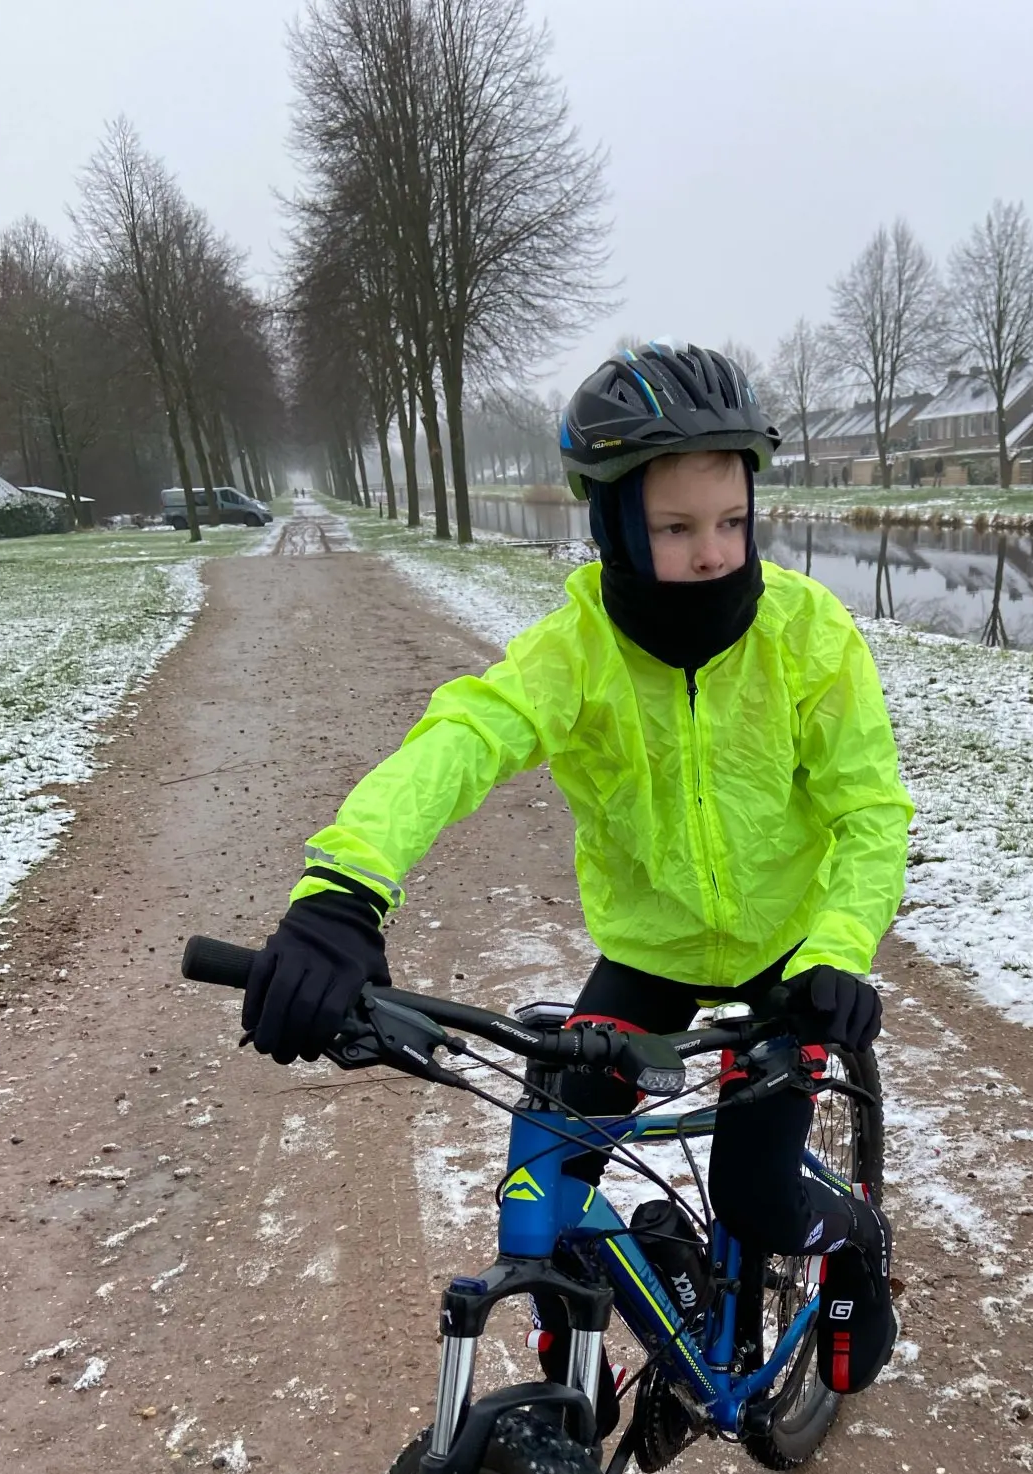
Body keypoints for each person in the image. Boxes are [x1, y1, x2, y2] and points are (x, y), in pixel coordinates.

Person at [241, 343, 913, 1409]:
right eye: (676, 528)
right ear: (611, 526)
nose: (712, 553)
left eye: (731, 522)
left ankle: (859, 1245)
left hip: (791, 955)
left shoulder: (808, 636)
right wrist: (344, 888)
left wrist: (835, 951)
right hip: (650, 954)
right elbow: (462, 739)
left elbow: (869, 813)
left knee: (755, 1194)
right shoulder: (578, 650)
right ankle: (573, 1378)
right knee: (542, 1185)